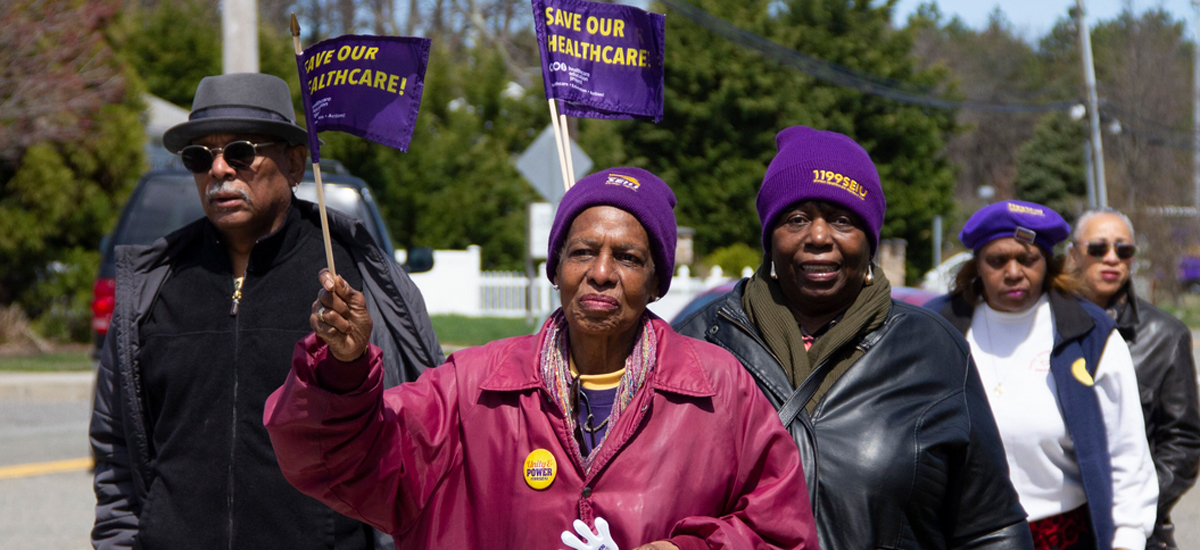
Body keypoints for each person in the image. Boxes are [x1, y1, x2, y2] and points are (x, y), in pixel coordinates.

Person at [264, 167, 819, 550]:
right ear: (555, 269)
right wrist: (342, 369)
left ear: (656, 283)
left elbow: (782, 531)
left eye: (628, 257)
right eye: (583, 252)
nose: (601, 272)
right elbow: (344, 463)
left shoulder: (719, 390)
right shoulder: (472, 386)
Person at [89, 73, 444, 550]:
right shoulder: (154, 285)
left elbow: (416, 438)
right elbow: (116, 452)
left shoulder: (356, 284)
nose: (219, 169)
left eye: (240, 152)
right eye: (200, 156)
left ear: (294, 162)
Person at [675, 126, 1032, 550]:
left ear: (870, 241)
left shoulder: (933, 350)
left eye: (842, 220)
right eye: (797, 219)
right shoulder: (697, 345)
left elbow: (991, 529)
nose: (819, 237)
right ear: (770, 238)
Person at [927, 200, 1158, 550]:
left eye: (1027, 259)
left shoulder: (1090, 332)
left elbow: (1127, 449)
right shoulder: (937, 326)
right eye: (997, 260)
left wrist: (1128, 536)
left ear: (1048, 263)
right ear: (976, 265)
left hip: (1063, 535)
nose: (1013, 272)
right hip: (963, 535)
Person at [1067, 209, 1200, 550]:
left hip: (1137, 532)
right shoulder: (1045, 327)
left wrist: (1134, 507)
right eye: (1098, 248)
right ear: (1073, 254)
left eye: (1123, 250)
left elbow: (1183, 442)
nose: (1112, 258)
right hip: (1058, 526)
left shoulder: (1165, 336)